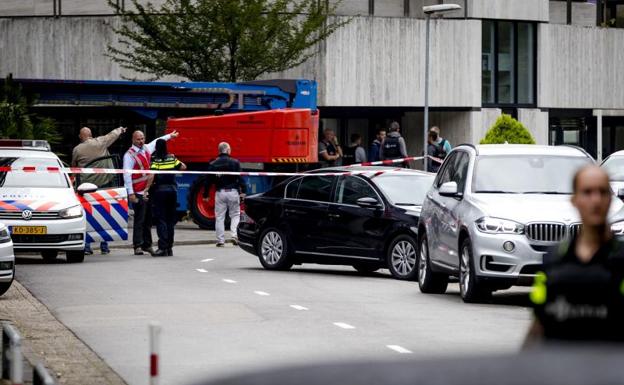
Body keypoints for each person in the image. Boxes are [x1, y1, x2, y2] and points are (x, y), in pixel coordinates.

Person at [524, 165, 624, 346]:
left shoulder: (621, 259)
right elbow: (538, 326)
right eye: (587, 192)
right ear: (574, 200)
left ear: (611, 199)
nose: (596, 200)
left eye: (602, 192)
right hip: (560, 370)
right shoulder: (553, 260)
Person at [71, 125, 126, 255]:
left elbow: (74, 168)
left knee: (86, 215)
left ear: (80, 137)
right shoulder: (100, 142)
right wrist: (120, 129)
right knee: (105, 213)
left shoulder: (77, 149)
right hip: (104, 185)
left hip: (85, 187)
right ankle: (104, 246)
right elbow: (112, 134)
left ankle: (87, 246)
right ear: (90, 135)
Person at [123, 130, 179, 256]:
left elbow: (158, 141)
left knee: (148, 220)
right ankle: (137, 245)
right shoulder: (129, 155)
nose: (141, 141)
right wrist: (130, 193)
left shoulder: (146, 148)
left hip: (148, 191)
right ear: (133, 139)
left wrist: (170, 136)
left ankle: (147, 245)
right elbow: (127, 175)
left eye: (142, 138)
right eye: (138, 139)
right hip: (138, 191)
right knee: (139, 220)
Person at [145, 139, 186, 257]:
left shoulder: (156, 159)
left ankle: (162, 247)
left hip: (160, 192)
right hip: (172, 191)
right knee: (170, 220)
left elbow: (152, 175)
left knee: (161, 219)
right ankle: (169, 247)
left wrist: (146, 190)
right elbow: (183, 167)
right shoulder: (171, 158)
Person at [203, 142, 246, 247]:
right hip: (233, 192)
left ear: (219, 151)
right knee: (235, 215)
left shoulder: (213, 164)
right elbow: (240, 178)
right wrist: (243, 191)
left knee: (220, 217)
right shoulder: (235, 163)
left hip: (220, 193)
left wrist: (205, 195)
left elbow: (208, 180)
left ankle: (220, 241)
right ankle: (234, 235)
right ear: (227, 150)